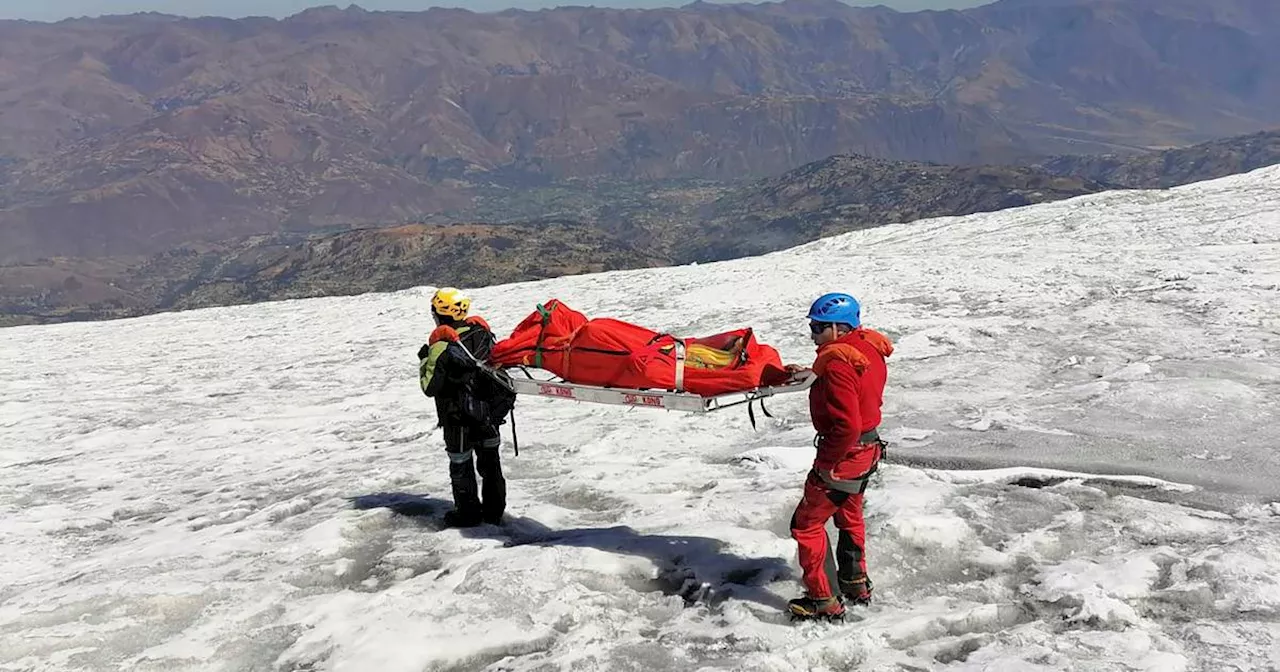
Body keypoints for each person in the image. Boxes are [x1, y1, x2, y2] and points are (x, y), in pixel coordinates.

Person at [785, 292, 894, 620]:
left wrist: (828, 465)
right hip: (867, 450)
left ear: (837, 327)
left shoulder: (837, 364)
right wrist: (812, 372)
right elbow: (855, 382)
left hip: (846, 455)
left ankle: (822, 600)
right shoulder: (866, 347)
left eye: (818, 328)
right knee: (849, 515)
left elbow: (846, 425)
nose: (813, 334)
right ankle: (855, 582)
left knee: (806, 524)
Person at [417, 287, 507, 527]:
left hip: (457, 418)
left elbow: (429, 386)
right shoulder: (483, 333)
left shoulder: (440, 345)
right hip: (487, 415)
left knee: (461, 464)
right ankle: (494, 512)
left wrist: (425, 358)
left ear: (438, 313)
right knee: (491, 464)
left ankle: (467, 515)